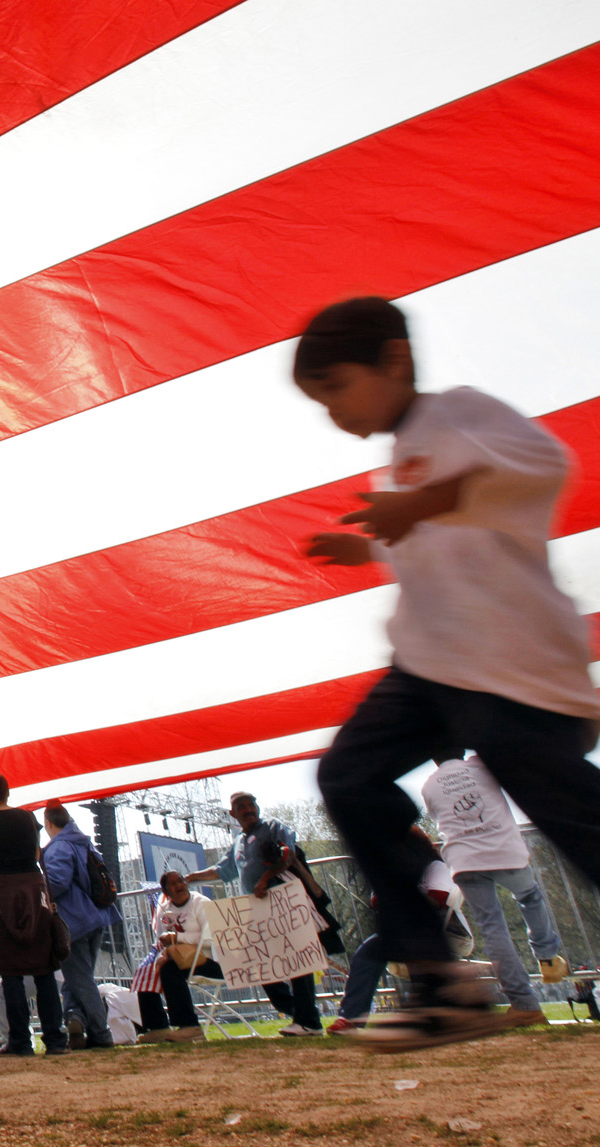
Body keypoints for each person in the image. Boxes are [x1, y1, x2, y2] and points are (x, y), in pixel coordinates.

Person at [293, 296, 600, 1049]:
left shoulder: (459, 411)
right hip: (433, 663)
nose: (331, 412)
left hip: (507, 661)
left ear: (391, 360)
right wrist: (372, 546)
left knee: (572, 819)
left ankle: (443, 981)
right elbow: (443, 544)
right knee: (347, 776)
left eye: (335, 387)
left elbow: (542, 462)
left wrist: (424, 498)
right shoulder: (404, 452)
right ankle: (441, 981)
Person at [422, 752, 565, 1023]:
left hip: (465, 859)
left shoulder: (429, 785)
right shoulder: (482, 765)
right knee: (529, 897)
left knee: (492, 927)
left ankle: (524, 1004)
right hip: (505, 850)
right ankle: (547, 958)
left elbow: (437, 813)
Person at [186, 792, 324, 1037]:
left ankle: (308, 1021)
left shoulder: (274, 827)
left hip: (284, 904)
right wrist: (191, 878)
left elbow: (287, 855)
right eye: (242, 807)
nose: (248, 810)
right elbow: (222, 870)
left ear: (258, 807)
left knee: (298, 960)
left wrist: (266, 878)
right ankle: (299, 1013)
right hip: (259, 912)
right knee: (261, 965)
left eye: (252, 805)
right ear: (233, 813)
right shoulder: (238, 841)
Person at [332, 828, 473, 1034]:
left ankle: (430, 1013)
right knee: (367, 953)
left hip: (445, 932)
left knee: (418, 946)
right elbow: (377, 902)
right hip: (402, 931)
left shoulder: (435, 867)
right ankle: (350, 1018)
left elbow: (438, 899)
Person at [0, 774, 66, 1056]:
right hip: (32, 890)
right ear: (8, 791)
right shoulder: (26, 818)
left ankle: (20, 1042)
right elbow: (35, 854)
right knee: (44, 968)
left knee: (10, 971)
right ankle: (55, 1040)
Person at [41, 804, 123, 1050]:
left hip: (72, 922)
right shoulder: (84, 843)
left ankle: (101, 1032)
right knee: (77, 977)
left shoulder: (58, 847)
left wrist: (39, 891)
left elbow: (57, 882)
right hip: (96, 918)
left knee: (80, 978)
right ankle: (75, 1020)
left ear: (49, 823)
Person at [133, 871, 218, 1043]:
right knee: (146, 970)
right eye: (173, 884)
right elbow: (164, 940)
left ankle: (189, 1026)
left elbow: (210, 938)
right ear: (166, 892)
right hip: (181, 958)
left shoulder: (200, 902)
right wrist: (166, 951)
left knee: (170, 971)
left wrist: (177, 938)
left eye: (180, 881)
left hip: (212, 960)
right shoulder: (165, 911)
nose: (179, 885)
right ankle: (158, 1027)